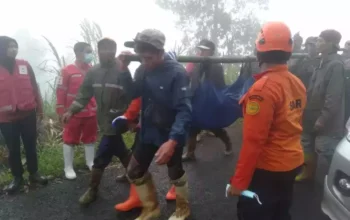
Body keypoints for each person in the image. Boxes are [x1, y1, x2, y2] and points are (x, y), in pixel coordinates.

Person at [227, 22, 306, 220]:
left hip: (268, 170)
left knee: (253, 213)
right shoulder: (296, 82)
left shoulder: (262, 90)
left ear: (258, 51)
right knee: (280, 211)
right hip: (291, 162)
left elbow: (254, 142)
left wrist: (239, 182)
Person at [123, 29, 192, 220]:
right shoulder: (143, 69)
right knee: (134, 172)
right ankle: (151, 209)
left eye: (149, 58)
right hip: (148, 131)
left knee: (175, 174)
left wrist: (172, 141)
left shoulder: (177, 73)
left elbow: (184, 111)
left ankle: (183, 210)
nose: (146, 62)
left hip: (171, 133)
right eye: (142, 58)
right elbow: (132, 93)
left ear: (161, 53)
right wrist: (123, 70)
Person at [61, 38, 134, 206]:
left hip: (118, 121)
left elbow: (131, 95)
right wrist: (71, 110)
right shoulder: (93, 72)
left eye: (111, 49)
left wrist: (132, 120)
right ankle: (136, 175)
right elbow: (83, 95)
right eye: (103, 49)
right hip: (103, 120)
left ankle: (93, 189)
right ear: (98, 50)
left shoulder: (122, 70)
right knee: (121, 150)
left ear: (115, 51)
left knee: (101, 156)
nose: (107, 53)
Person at [0, 36, 48, 194]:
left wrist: (40, 109)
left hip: (28, 114)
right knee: (13, 149)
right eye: (10, 46)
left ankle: (34, 174)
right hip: (6, 118)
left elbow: (34, 86)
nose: (14, 49)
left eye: (15, 46)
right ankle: (17, 178)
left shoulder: (24, 65)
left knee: (30, 146)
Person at [298, 29, 345, 181]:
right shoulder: (320, 63)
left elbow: (333, 97)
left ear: (331, 44)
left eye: (320, 41)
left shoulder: (336, 65)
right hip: (311, 113)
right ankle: (308, 172)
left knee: (327, 149)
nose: (317, 44)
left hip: (327, 119)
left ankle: (341, 180)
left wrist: (323, 118)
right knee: (307, 143)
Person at [182, 39, 233, 161]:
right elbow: (192, 80)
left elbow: (220, 85)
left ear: (211, 51)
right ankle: (190, 153)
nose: (202, 51)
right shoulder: (196, 63)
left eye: (205, 49)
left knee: (215, 127)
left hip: (209, 102)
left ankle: (228, 145)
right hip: (196, 100)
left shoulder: (217, 66)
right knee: (193, 128)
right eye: (201, 49)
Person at [56, 42, 97, 180]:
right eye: (88, 51)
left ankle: (90, 162)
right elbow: (61, 91)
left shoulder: (92, 70)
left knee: (90, 138)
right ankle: (68, 167)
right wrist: (61, 111)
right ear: (78, 53)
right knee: (69, 139)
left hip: (91, 111)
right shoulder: (67, 70)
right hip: (72, 113)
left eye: (90, 51)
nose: (90, 54)